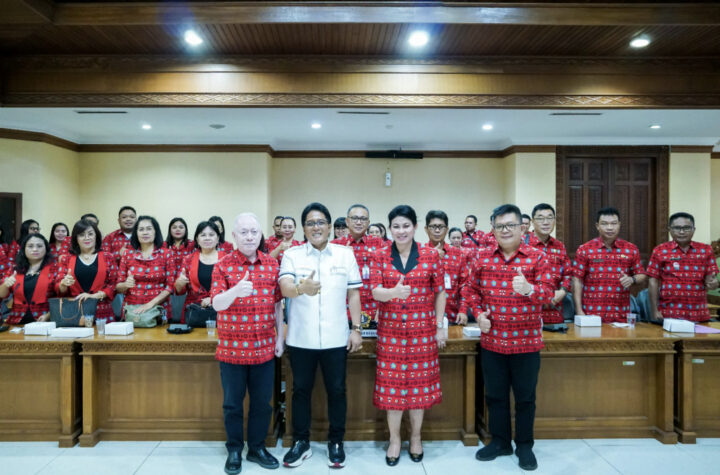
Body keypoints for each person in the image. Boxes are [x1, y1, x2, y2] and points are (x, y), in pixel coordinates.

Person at [462, 204, 554, 471]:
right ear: (492, 228)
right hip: (493, 342)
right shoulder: (481, 257)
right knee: (495, 396)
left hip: (526, 343)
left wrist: (529, 290)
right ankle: (500, 442)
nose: (505, 230)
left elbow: (549, 293)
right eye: (499, 226)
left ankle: (524, 445)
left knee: (525, 398)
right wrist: (479, 314)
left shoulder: (538, 257)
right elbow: (470, 290)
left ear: (522, 228)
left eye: (510, 225)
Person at [278, 202, 363, 469]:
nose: (316, 227)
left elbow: (354, 294)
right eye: (310, 223)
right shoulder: (292, 255)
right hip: (301, 338)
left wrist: (356, 329)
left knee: (337, 390)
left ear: (329, 226)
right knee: (300, 391)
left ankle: (336, 442)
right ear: (304, 228)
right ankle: (300, 442)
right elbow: (284, 288)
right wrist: (301, 288)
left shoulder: (344, 254)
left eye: (321, 222)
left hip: (336, 338)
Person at [370, 204, 447, 466]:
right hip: (390, 333)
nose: (401, 231)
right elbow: (374, 291)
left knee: (419, 390)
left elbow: (440, 292)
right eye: (396, 226)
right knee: (392, 391)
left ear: (415, 227)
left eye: (406, 226)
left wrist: (439, 326)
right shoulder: (380, 255)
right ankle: (394, 440)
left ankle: (415, 437)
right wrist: (393, 293)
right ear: (389, 229)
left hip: (422, 333)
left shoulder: (431, 255)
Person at [211, 213, 285, 475]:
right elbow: (216, 303)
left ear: (260, 234)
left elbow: (278, 304)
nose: (250, 237)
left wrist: (280, 338)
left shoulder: (272, 264)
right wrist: (235, 291)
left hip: (264, 347)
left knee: (262, 404)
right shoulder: (222, 265)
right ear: (234, 236)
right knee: (232, 404)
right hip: (231, 350)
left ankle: (256, 448)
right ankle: (234, 449)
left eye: (254, 232)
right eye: (244, 232)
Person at [572, 207, 647, 323]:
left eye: (613, 223)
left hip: (621, 314)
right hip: (591, 314)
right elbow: (577, 280)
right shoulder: (585, 249)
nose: (610, 227)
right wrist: (578, 310)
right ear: (597, 226)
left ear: (619, 225)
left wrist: (632, 279)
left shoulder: (631, 249)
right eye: (604, 224)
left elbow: (642, 275)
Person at [647, 212, 719, 323]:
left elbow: (711, 280)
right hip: (669, 313)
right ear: (670, 230)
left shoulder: (706, 250)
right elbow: (653, 281)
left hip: (699, 313)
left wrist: (714, 283)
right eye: (677, 228)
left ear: (694, 229)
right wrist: (654, 310)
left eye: (686, 228)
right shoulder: (660, 250)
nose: (681, 232)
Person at [55, 220, 118, 322]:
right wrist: (63, 284)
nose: (86, 238)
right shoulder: (66, 259)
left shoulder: (108, 257)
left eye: (90, 234)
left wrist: (94, 296)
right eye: (81, 235)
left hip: (102, 313)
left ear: (96, 236)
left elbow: (113, 284)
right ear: (76, 238)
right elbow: (59, 288)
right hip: (75, 313)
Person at [331, 204, 385, 322]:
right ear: (347, 221)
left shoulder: (379, 244)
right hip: (343, 309)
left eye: (363, 219)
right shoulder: (335, 246)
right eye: (355, 218)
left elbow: (386, 278)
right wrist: (342, 256)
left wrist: (381, 310)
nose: (359, 222)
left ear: (368, 222)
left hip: (374, 309)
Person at [115, 215, 175, 319]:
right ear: (136, 233)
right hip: (132, 311)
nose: (145, 232)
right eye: (141, 229)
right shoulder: (127, 254)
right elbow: (118, 287)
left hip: (158, 309)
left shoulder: (167, 254)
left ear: (156, 232)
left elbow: (170, 287)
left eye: (149, 229)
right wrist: (126, 284)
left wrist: (149, 305)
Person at [527, 203, 572, 324]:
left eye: (550, 218)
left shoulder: (560, 246)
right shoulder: (522, 245)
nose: (546, 222)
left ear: (554, 221)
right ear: (532, 222)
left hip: (554, 312)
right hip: (529, 312)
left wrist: (563, 291)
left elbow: (567, 274)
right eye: (540, 218)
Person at [0, 233, 57, 324]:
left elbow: (62, 298)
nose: (35, 249)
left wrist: (48, 315)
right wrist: (5, 285)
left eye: (39, 246)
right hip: (17, 322)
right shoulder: (14, 269)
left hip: (45, 322)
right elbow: (1, 294)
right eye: (30, 246)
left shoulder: (55, 269)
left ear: (46, 248)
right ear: (23, 249)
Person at [424, 210, 469, 325]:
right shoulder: (419, 254)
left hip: (452, 318)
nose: (437, 230)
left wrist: (463, 310)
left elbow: (464, 285)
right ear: (426, 229)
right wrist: (431, 256)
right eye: (433, 227)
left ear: (447, 229)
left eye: (441, 227)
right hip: (424, 318)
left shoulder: (458, 254)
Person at [175, 221, 225, 321]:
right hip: (194, 312)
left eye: (211, 235)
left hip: (221, 312)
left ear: (218, 238)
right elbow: (180, 291)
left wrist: (213, 299)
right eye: (203, 235)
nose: (207, 238)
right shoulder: (188, 259)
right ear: (197, 239)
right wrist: (179, 284)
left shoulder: (226, 259)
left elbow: (233, 288)